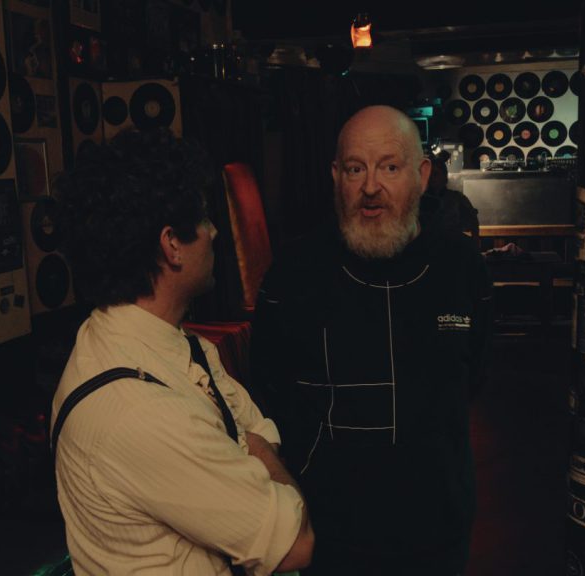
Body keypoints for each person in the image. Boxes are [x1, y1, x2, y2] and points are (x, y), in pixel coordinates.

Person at [50, 128, 313, 575]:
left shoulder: (170, 344)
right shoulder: (138, 411)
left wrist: (251, 452)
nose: (214, 231)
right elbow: (294, 545)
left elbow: (259, 432)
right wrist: (254, 458)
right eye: (205, 217)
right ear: (172, 244)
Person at [252, 105, 492, 575]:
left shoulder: (462, 266)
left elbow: (474, 376)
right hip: (327, 536)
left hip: (437, 528)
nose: (370, 187)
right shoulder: (294, 273)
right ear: (336, 176)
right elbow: (268, 391)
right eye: (355, 169)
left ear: (422, 175)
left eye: (390, 167)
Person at [423, 150, 480, 249]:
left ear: (444, 176)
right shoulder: (420, 200)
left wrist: (474, 247)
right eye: (430, 175)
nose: (432, 178)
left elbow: (473, 222)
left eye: (436, 174)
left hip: (453, 248)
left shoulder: (457, 198)